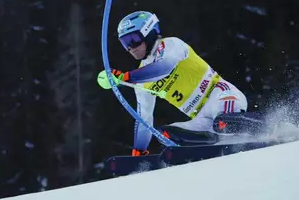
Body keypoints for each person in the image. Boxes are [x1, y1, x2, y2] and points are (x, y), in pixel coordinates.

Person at [97, 11, 249, 156]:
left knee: (223, 123)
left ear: (148, 32)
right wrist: (139, 150)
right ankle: (210, 146)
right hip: (202, 119)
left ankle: (265, 129)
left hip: (221, 97)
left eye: (133, 40)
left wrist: (125, 77)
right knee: (166, 134)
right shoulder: (141, 79)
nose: (130, 48)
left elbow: (164, 67)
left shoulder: (171, 45)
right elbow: (145, 118)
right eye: (125, 43)